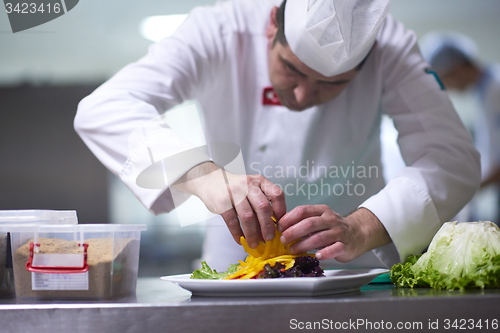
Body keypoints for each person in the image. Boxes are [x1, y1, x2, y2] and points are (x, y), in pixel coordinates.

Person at [74, 0, 480, 270]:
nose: (304, 95)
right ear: (272, 26)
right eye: (293, 70)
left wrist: (362, 226)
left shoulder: (391, 48)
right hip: (236, 269)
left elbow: (451, 158)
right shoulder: (218, 29)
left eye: (332, 84)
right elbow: (104, 108)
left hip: (349, 270)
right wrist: (204, 175)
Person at [421, 32, 500, 224]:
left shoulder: (497, 89)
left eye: (444, 80)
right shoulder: (485, 91)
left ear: (457, 68)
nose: (447, 88)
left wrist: (466, 189)